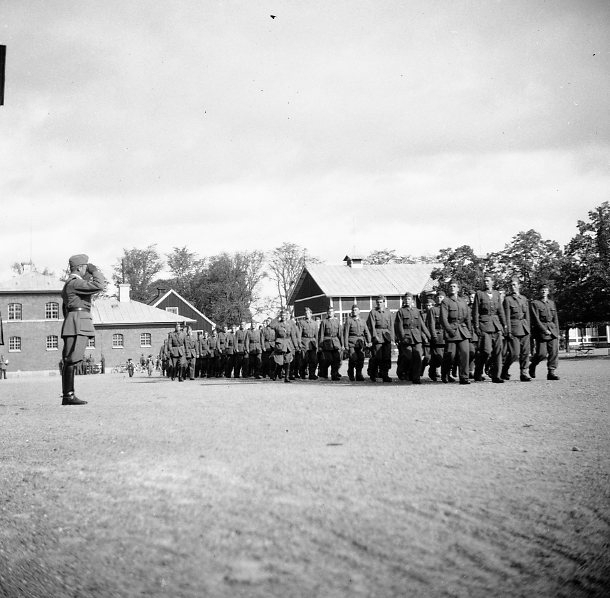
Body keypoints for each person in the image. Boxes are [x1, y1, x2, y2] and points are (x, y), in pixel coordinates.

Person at [60, 254, 106, 405]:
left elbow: (64, 307)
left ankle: (68, 395)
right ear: (79, 267)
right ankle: (69, 396)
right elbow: (99, 285)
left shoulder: (69, 283)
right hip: (79, 322)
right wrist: (95, 271)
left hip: (72, 321)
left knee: (69, 359)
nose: (87, 269)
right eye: (86, 267)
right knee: (72, 359)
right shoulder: (75, 283)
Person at [473, 275, 507, 383]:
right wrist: (477, 326)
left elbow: (500, 310)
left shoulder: (497, 294)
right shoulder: (480, 294)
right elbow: (476, 312)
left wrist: (504, 325)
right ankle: (478, 371)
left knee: (498, 351)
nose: (486, 282)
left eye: (488, 281)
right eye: (484, 281)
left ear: (493, 282)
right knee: (486, 351)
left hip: (496, 326)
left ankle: (496, 376)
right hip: (484, 326)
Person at [440, 280, 472, 385]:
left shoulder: (463, 301)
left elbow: (467, 317)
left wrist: (469, 331)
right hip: (451, 330)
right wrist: (449, 330)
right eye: (451, 286)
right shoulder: (446, 301)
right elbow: (443, 319)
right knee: (451, 355)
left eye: (454, 286)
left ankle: (464, 377)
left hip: (463, 331)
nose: (452, 288)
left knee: (465, 353)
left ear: (458, 288)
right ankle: (445, 373)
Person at [394, 292, 430, 384]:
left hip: (417, 337)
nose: (407, 301)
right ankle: (401, 370)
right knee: (408, 356)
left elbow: (421, 325)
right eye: (405, 299)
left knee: (418, 357)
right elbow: (399, 326)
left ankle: (416, 377)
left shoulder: (416, 311)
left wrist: (429, 336)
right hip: (406, 337)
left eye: (409, 299)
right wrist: (402, 338)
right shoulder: (401, 312)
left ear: (412, 301)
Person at [501, 278, 531, 382]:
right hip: (513, 328)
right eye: (511, 285)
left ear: (519, 286)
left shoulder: (524, 298)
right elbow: (507, 316)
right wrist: (508, 331)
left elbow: (527, 315)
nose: (513, 287)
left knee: (525, 352)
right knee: (514, 353)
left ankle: (524, 373)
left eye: (515, 285)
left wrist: (529, 328)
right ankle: (504, 370)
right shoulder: (507, 300)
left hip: (524, 328)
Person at [529, 283, 560, 380]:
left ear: (548, 292)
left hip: (552, 329)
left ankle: (551, 372)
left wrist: (557, 332)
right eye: (542, 290)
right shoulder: (535, 303)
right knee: (541, 354)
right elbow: (535, 319)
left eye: (546, 290)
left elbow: (555, 319)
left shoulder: (551, 303)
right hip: (541, 331)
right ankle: (533, 364)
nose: (544, 291)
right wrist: (544, 330)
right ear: (539, 291)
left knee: (554, 352)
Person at [366, 295, 394, 382]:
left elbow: (391, 326)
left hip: (386, 336)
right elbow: (371, 326)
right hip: (377, 336)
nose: (379, 304)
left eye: (381, 302)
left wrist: (392, 338)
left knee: (386, 357)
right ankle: (374, 374)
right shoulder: (373, 312)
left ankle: (385, 374)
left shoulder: (388, 312)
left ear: (384, 302)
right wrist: (375, 336)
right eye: (377, 302)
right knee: (378, 357)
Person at [268, 309, 300, 382]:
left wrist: (296, 345)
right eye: (282, 315)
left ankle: (286, 378)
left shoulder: (290, 324)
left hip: (288, 344)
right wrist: (277, 317)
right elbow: (271, 325)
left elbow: (293, 336)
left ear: (287, 316)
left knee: (287, 361)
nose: (283, 317)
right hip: (280, 344)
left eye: (284, 315)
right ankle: (275, 374)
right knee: (280, 362)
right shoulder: (277, 324)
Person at [342, 304, 371, 381]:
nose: (354, 312)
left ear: (359, 311)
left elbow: (366, 332)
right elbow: (346, 333)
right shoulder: (349, 320)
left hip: (360, 342)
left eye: (356, 310)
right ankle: (351, 373)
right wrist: (346, 345)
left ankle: (359, 374)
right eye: (353, 310)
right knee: (353, 358)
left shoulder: (362, 321)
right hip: (351, 342)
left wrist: (369, 341)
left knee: (361, 359)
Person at [318, 305, 343, 380]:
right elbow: (321, 334)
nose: (330, 313)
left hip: (335, 343)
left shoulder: (337, 322)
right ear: (327, 313)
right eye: (329, 312)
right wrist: (320, 345)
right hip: (327, 343)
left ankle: (334, 375)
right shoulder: (324, 322)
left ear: (334, 312)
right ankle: (322, 372)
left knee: (336, 360)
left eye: (331, 312)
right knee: (328, 359)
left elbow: (340, 334)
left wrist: (342, 344)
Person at [298, 307, 319, 380]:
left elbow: (316, 335)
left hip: (312, 344)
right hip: (304, 343)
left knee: (313, 360)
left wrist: (317, 345)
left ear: (311, 314)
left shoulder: (314, 323)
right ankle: (302, 374)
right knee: (304, 360)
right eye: (306, 313)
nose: (307, 315)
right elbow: (299, 334)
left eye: (308, 313)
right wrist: (299, 343)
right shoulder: (301, 322)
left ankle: (312, 374)